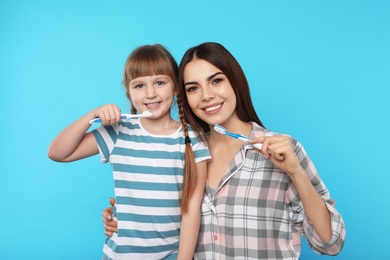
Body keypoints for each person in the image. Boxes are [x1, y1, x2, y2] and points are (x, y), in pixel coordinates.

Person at [102, 42, 346, 259]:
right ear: (183, 96)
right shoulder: (187, 152)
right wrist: (122, 220)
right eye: (193, 88)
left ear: (235, 81)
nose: (207, 96)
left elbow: (330, 243)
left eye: (216, 81)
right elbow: (158, 214)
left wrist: (296, 173)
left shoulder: (282, 149)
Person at [48, 44, 210, 259]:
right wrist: (92, 116)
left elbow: (192, 208)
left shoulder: (193, 139)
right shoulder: (118, 133)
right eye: (139, 85)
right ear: (128, 91)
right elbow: (57, 153)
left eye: (160, 83)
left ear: (176, 87)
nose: (150, 93)